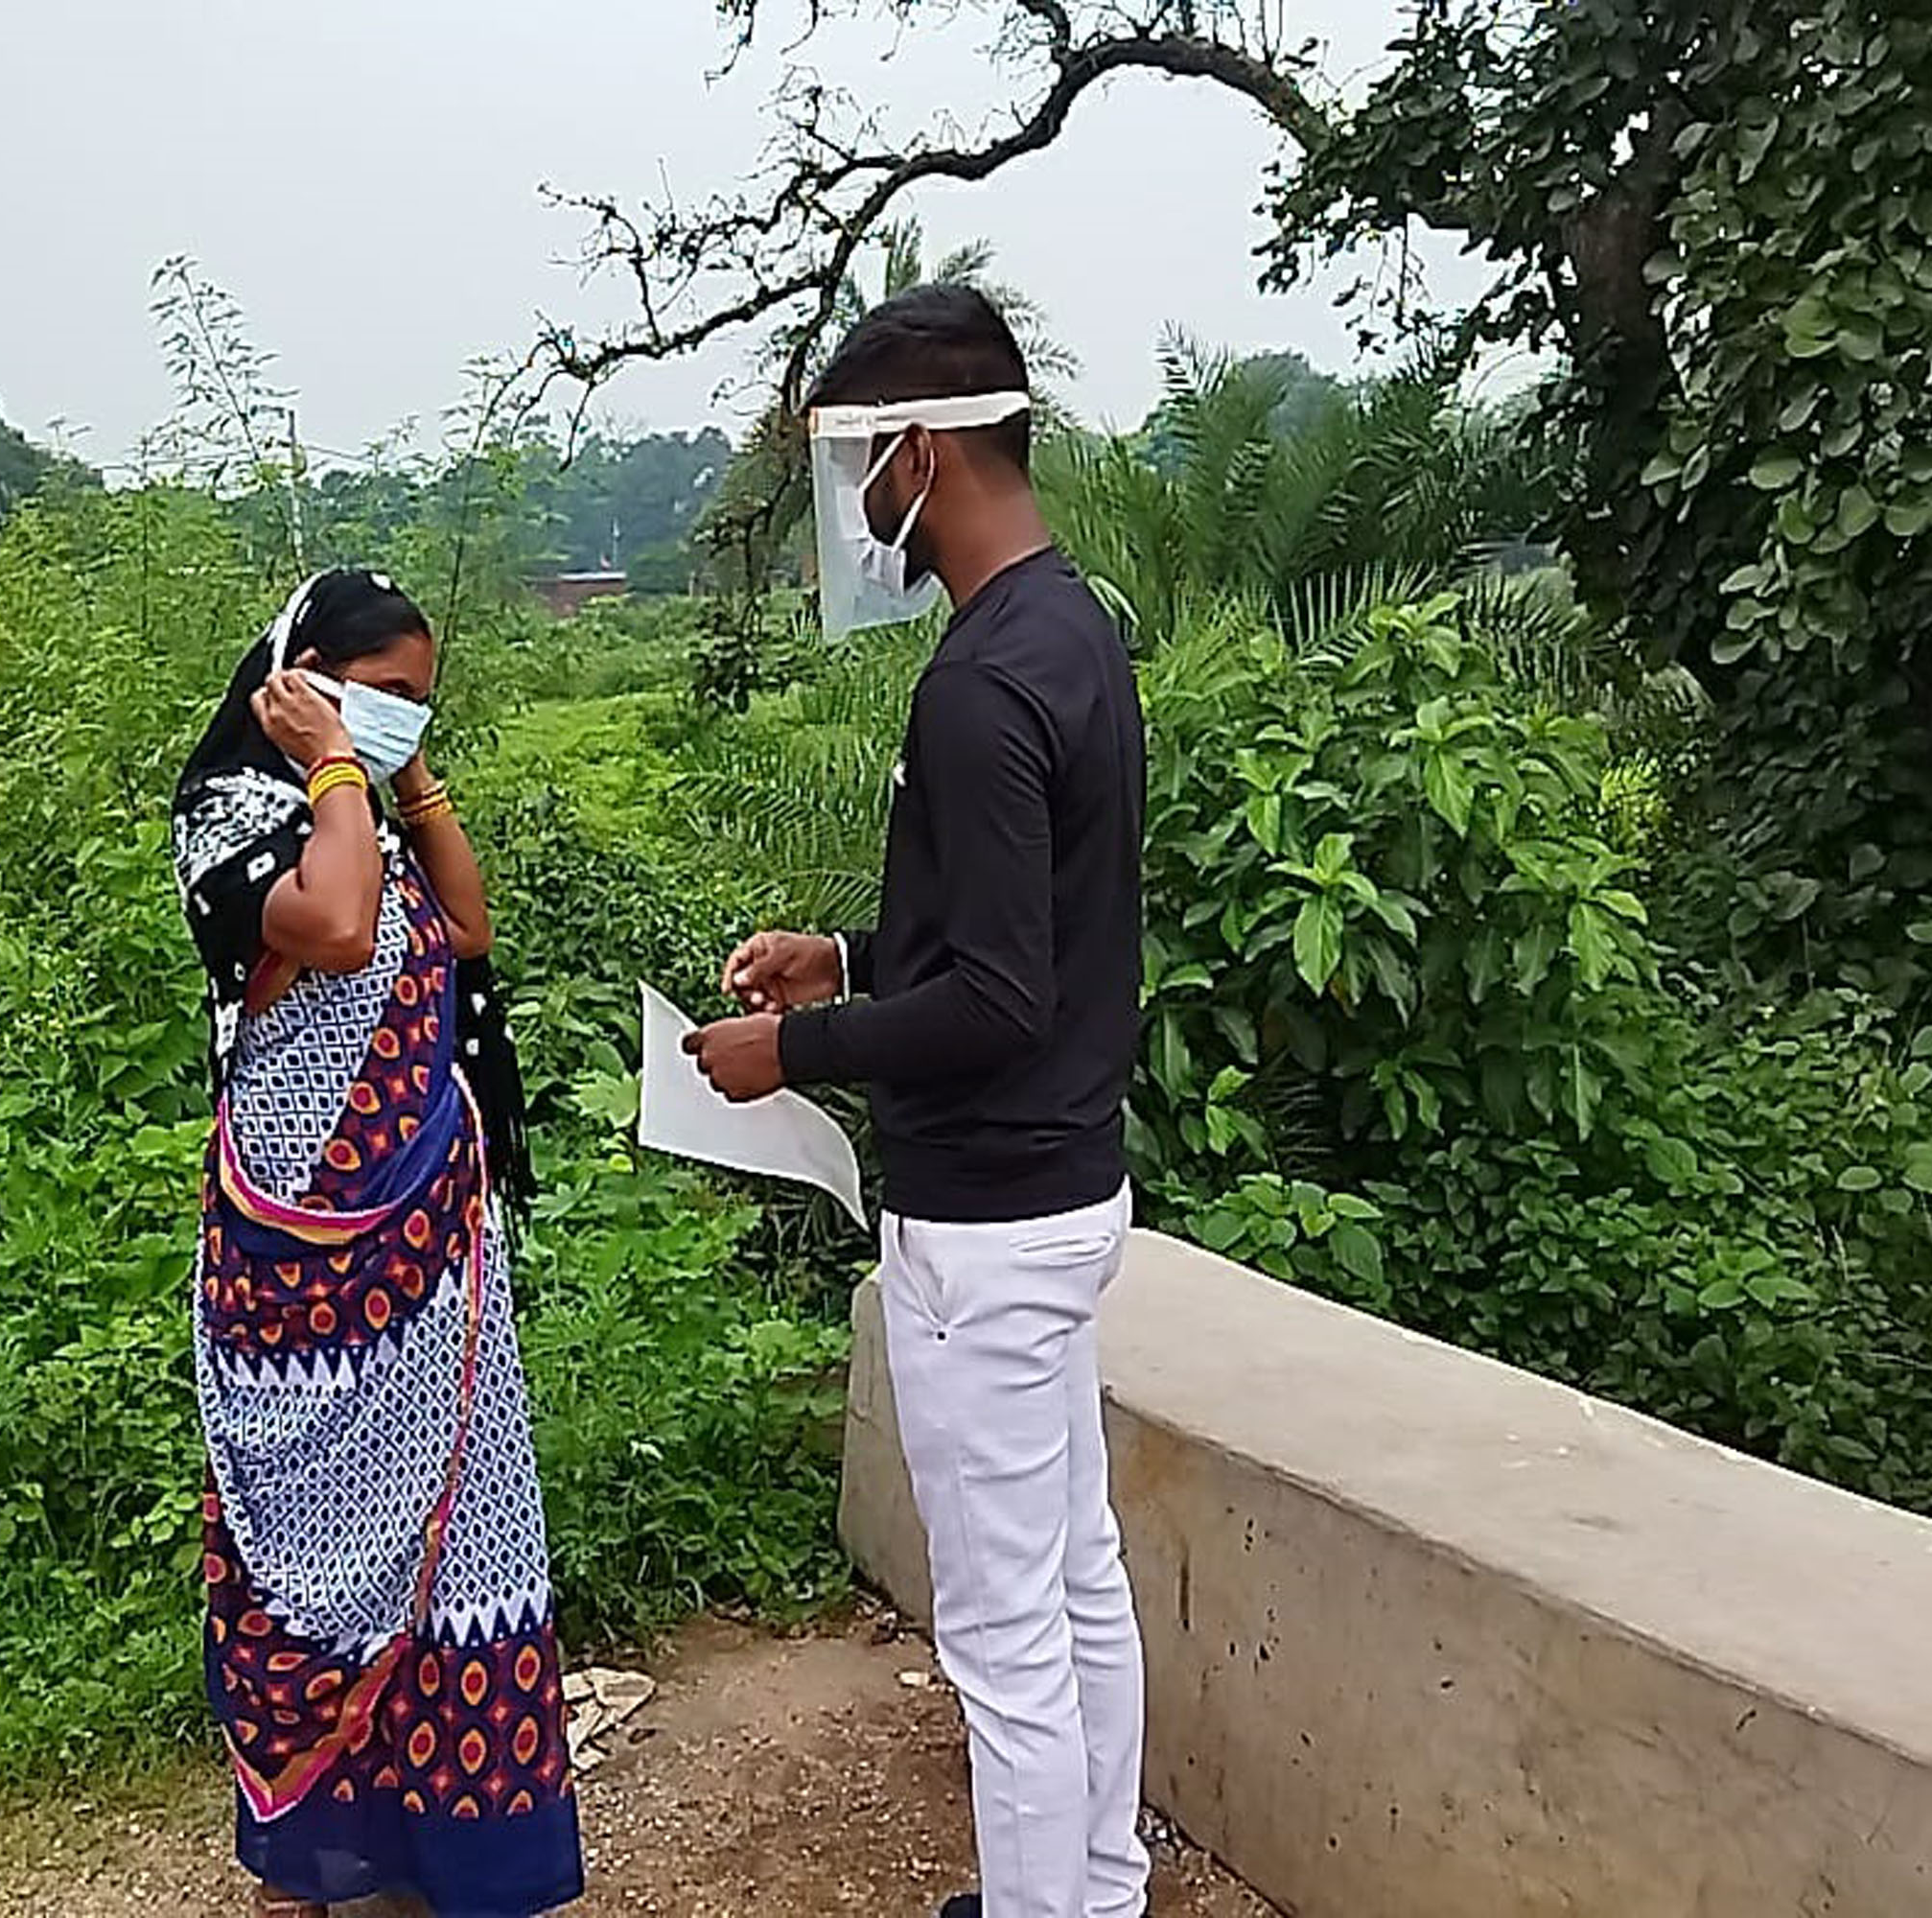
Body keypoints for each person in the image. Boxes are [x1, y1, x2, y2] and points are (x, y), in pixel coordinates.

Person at [686, 286, 1150, 1918]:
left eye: (863, 463)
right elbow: (1031, 935)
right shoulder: (1071, 631)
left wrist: (796, 1054)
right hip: (1070, 1193)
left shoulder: (975, 686)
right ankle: (1099, 1892)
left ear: (925, 453)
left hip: (989, 1228)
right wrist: (849, 956)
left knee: (1007, 1643)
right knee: (1079, 1581)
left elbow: (1001, 1002)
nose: (861, 502)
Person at [172, 569, 580, 1918]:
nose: (405, 714)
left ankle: (450, 1857)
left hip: (431, 1260)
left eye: (422, 701)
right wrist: (338, 768)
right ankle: (316, 1851)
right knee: (306, 1555)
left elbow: (463, 931)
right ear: (298, 682)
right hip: (307, 1264)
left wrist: (401, 774)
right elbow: (339, 932)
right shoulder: (234, 819)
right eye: (385, 692)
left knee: (461, 1552)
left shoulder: (361, 816)